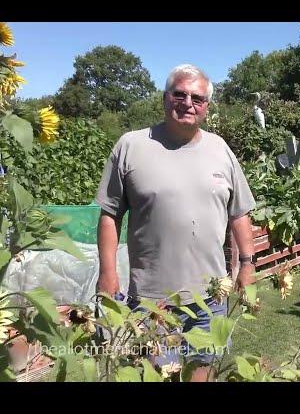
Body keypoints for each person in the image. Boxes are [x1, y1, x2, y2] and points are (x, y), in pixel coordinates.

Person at [95, 64, 256, 381]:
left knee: (203, 373)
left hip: (210, 299)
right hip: (152, 302)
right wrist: (108, 272)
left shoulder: (219, 149)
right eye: (179, 94)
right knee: (158, 375)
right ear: (165, 98)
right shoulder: (132, 146)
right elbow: (110, 214)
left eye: (197, 98)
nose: (188, 103)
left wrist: (248, 264)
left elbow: (240, 212)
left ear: (207, 106)